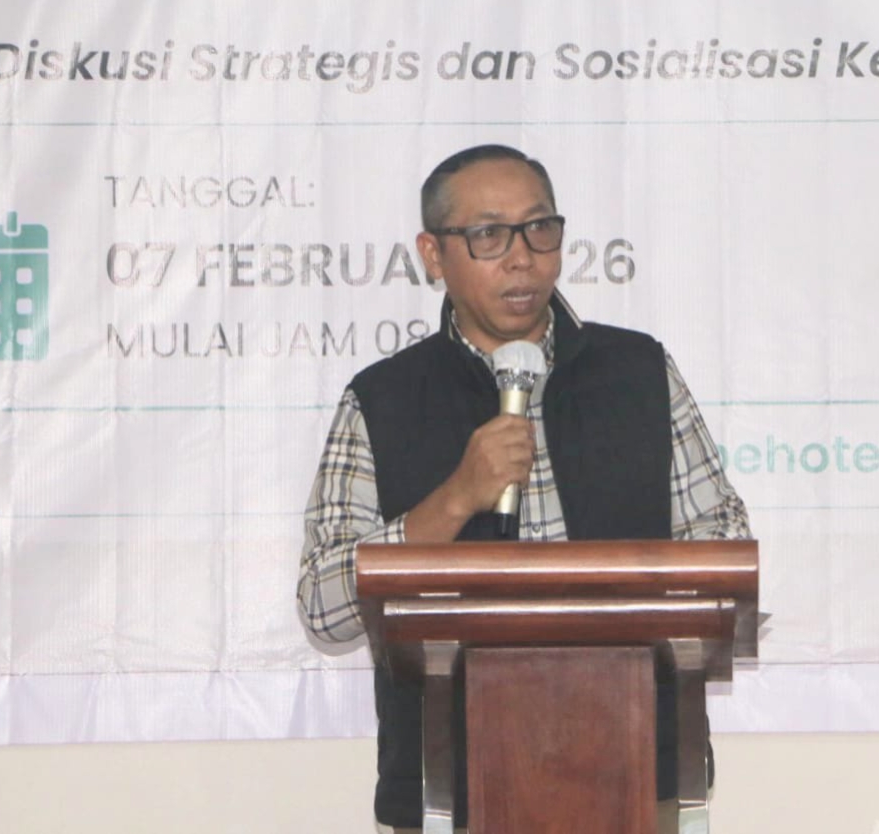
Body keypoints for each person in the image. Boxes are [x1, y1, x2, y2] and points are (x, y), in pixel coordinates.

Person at [298, 144, 750, 833]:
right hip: (448, 792)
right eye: (488, 234)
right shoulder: (384, 400)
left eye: (539, 229)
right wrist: (456, 498)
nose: (521, 258)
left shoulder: (639, 374)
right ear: (433, 254)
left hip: (638, 776)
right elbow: (323, 608)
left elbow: (722, 552)